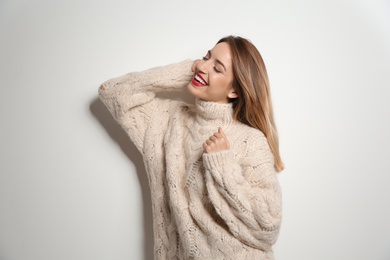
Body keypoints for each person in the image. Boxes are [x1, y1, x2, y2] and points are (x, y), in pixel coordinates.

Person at [99, 35, 284, 260]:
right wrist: (190, 70)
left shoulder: (250, 140)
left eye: (217, 68)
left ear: (234, 91)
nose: (203, 66)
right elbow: (112, 92)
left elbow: (268, 228)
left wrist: (223, 166)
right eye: (205, 57)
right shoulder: (168, 121)